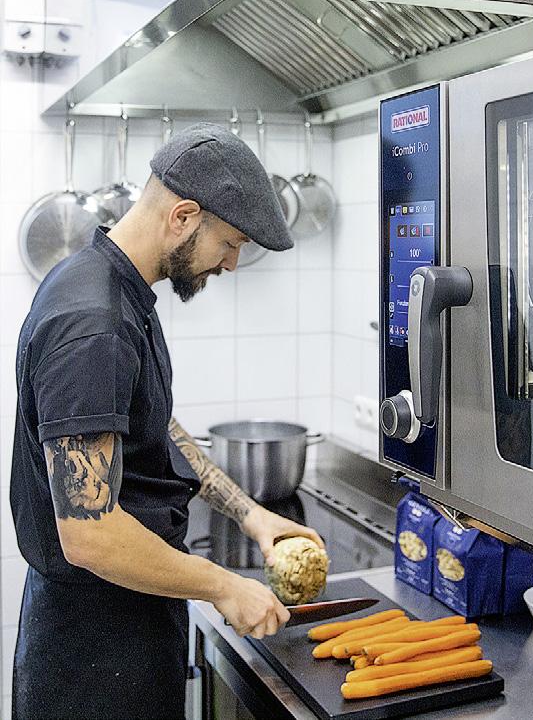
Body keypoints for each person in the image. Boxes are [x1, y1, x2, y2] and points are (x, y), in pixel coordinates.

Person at [9, 123, 323, 720]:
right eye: (229, 243)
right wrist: (223, 585)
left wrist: (250, 514)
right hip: (93, 655)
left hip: (128, 621)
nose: (231, 263)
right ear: (183, 217)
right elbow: (89, 533)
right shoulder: (95, 323)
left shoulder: (115, 288)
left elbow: (154, 428)